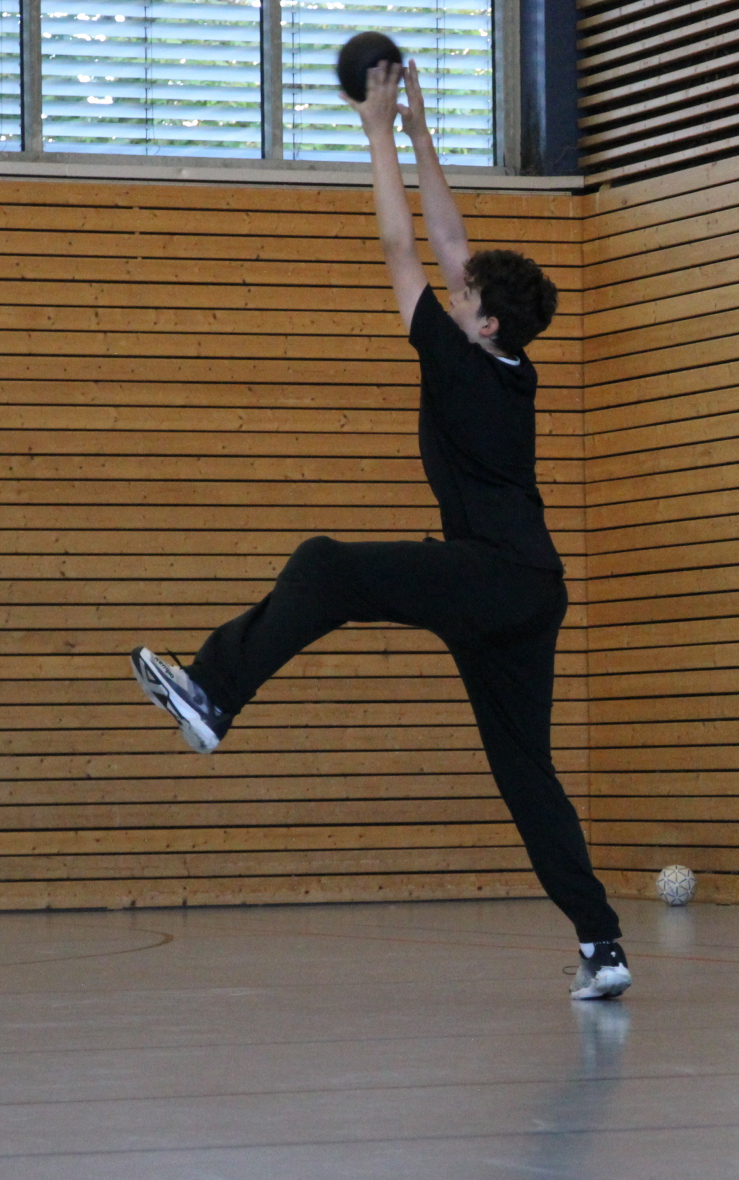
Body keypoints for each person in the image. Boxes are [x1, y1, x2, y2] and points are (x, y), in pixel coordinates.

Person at [128, 61, 630, 1001]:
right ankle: (602, 944)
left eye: (461, 295)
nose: (449, 290)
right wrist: (419, 130)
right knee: (526, 775)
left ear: (482, 322)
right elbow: (450, 241)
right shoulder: (509, 364)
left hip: (492, 576)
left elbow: (402, 246)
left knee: (324, 566)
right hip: (529, 592)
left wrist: (372, 131)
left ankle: (215, 693)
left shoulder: (458, 362)